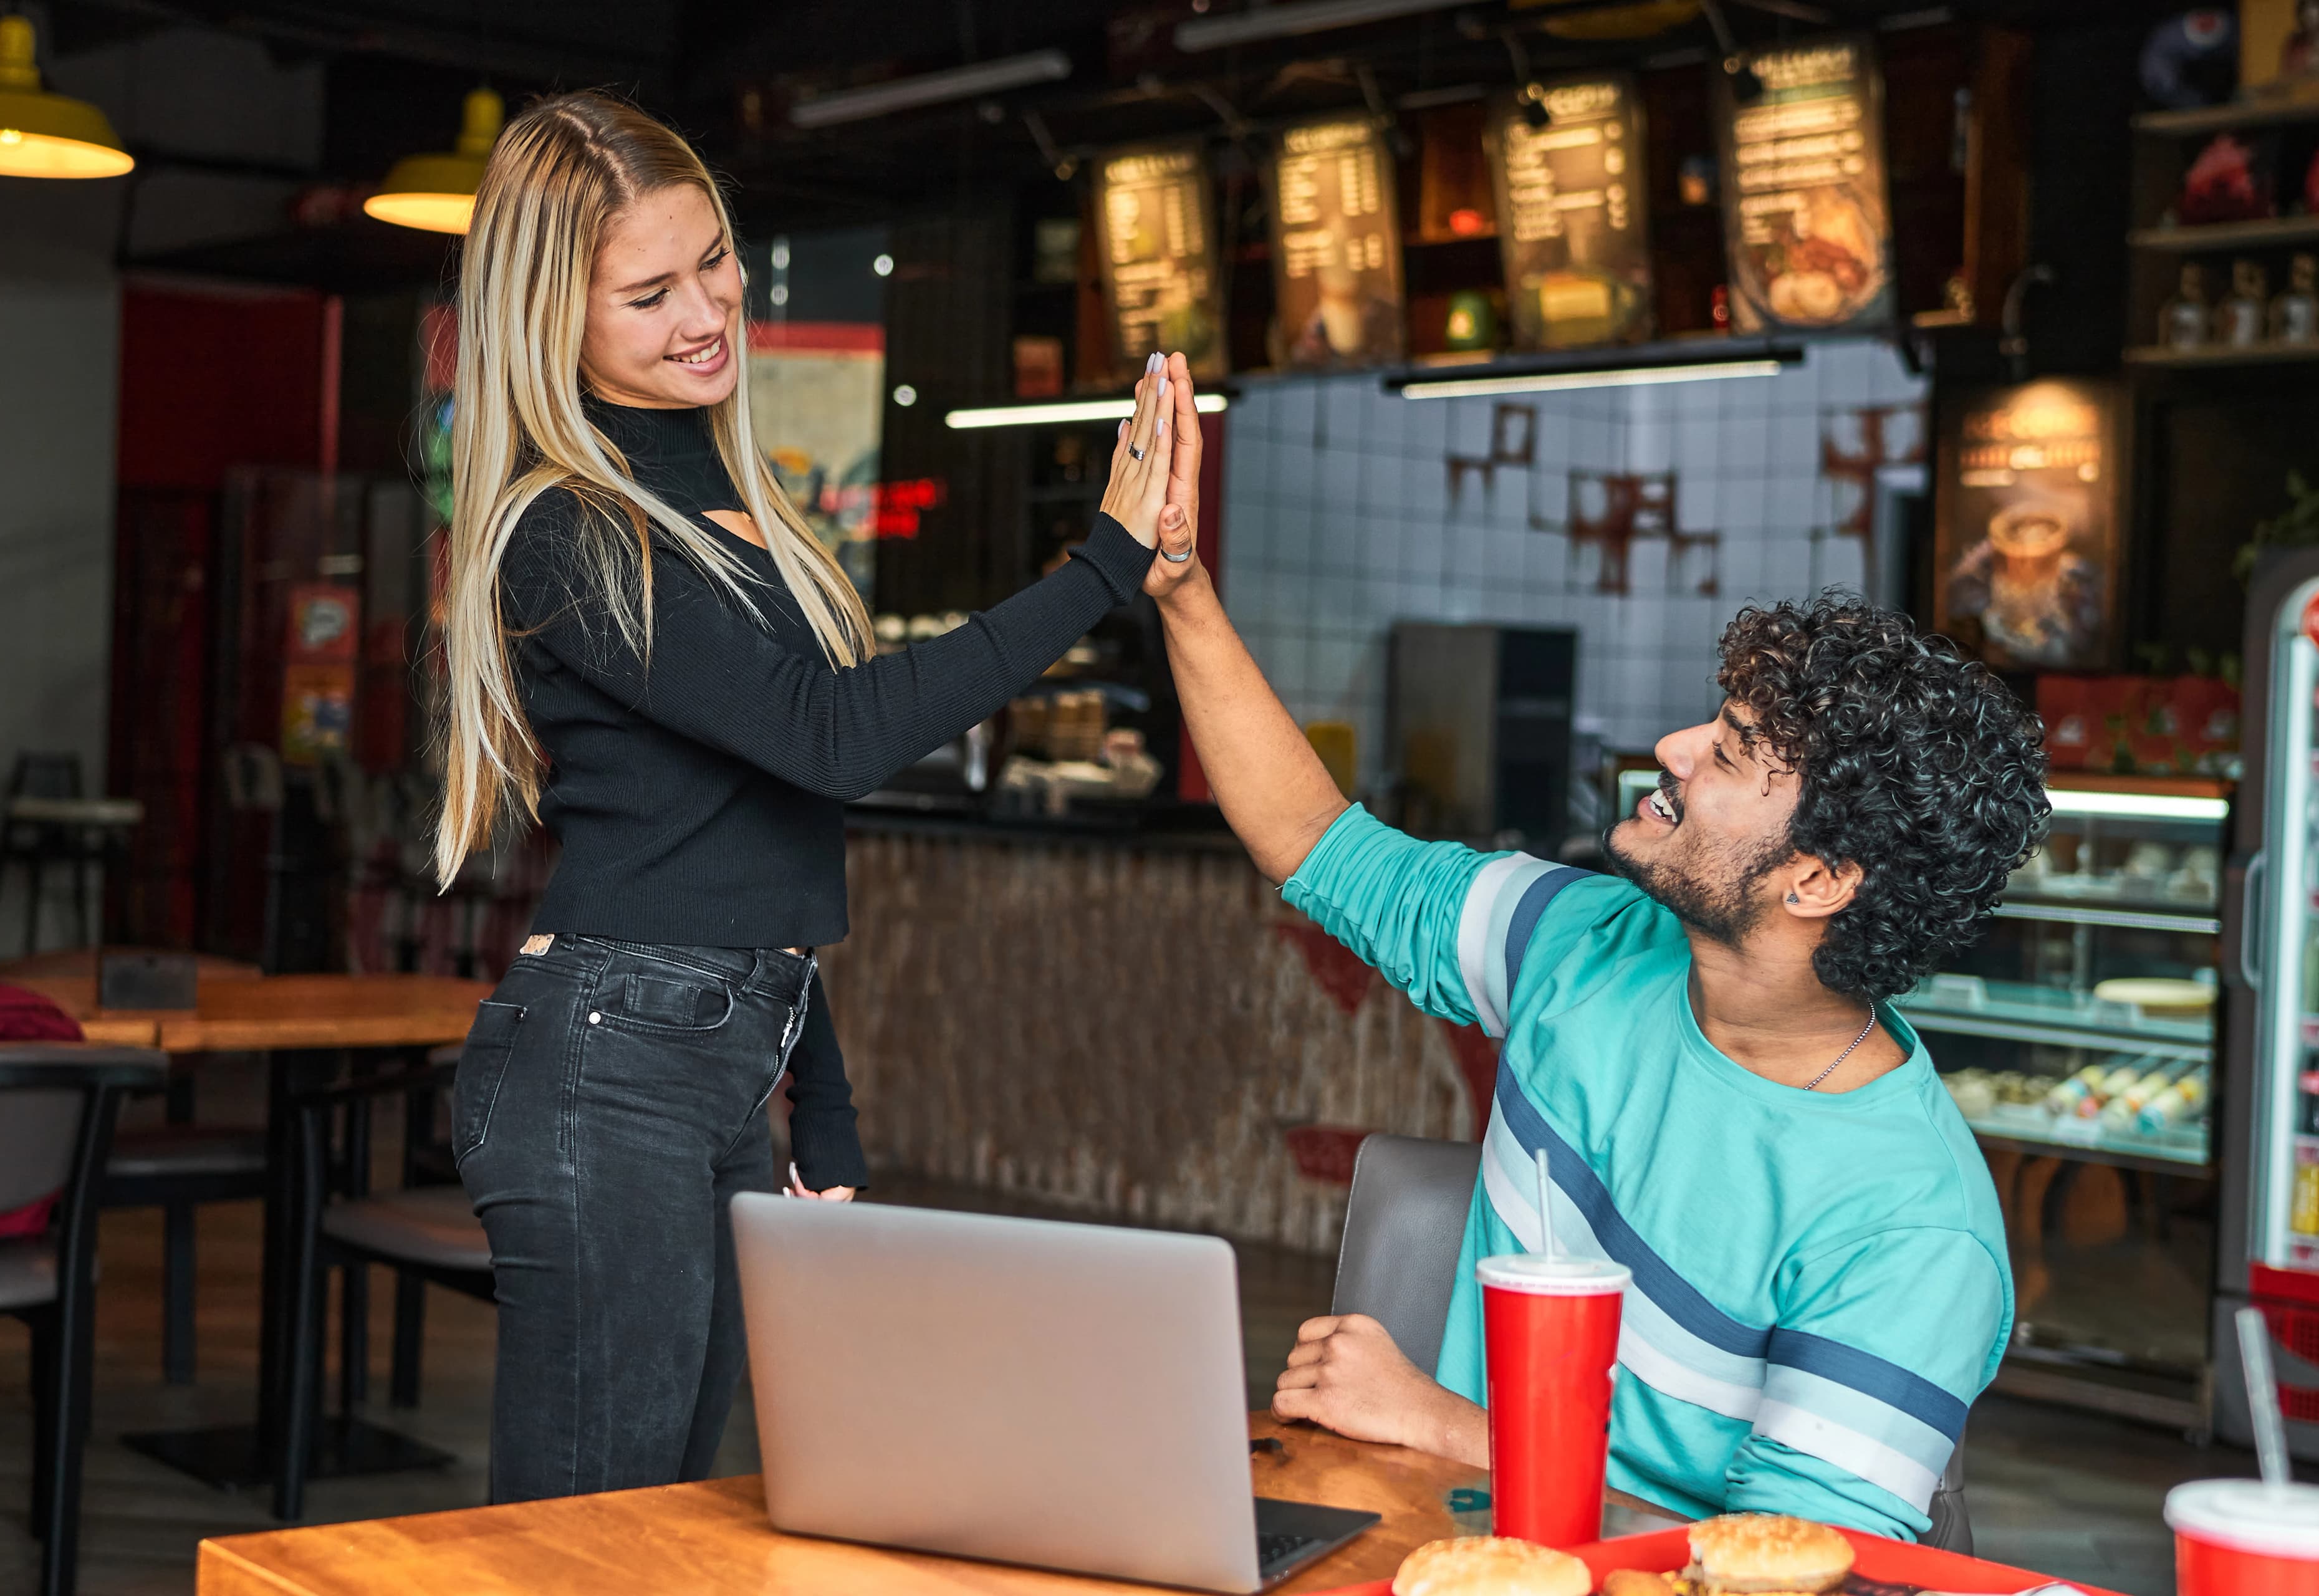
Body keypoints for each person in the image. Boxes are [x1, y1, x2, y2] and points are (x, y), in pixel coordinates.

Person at [1133, 368, 2047, 1538]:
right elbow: (1318, 842)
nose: (1669, 748)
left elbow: (1784, 1568)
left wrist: (1439, 1420)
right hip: (1432, 1550)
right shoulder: (1583, 942)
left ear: (1819, 881)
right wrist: (1183, 591)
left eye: (1728, 752)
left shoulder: (1911, 1222)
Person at [434, 91, 1188, 1503]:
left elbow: (750, 825)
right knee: (586, 1544)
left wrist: (818, 1098)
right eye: (647, 292)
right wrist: (1099, 569)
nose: (705, 309)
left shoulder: (726, 506)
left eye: (712, 260)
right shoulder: (567, 529)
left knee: (664, 1512)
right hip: (610, 1066)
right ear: (554, 322)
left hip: (700, 1054)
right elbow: (833, 737)